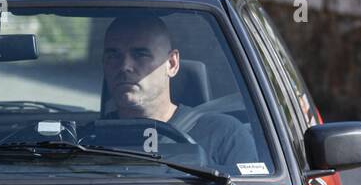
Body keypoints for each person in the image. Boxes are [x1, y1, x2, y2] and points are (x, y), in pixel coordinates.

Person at [100, 15, 258, 170]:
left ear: (172, 63)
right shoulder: (85, 141)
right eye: (113, 56)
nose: (124, 66)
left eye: (140, 54)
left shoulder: (224, 135)